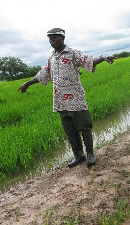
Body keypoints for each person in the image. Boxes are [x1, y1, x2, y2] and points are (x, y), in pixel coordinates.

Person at [18, 28, 117, 167]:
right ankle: (78, 155)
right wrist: (27, 83)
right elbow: (43, 74)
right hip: (61, 101)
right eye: (50, 39)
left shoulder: (72, 53)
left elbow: (87, 60)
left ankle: (90, 155)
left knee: (85, 127)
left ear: (63, 38)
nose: (52, 41)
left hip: (75, 98)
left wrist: (103, 58)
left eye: (54, 38)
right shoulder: (51, 58)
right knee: (69, 130)